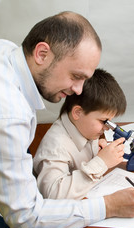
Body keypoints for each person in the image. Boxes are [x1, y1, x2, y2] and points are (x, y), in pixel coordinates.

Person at [0, 11, 134, 228]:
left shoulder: (0, 50)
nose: (78, 90)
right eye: (75, 76)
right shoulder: (1, 115)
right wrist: (110, 206)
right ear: (42, 53)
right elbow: (28, 219)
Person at [34, 68, 126, 200]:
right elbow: (53, 195)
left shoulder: (84, 127)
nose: (107, 128)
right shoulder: (56, 146)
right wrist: (101, 162)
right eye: (103, 121)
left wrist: (97, 153)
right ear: (78, 113)